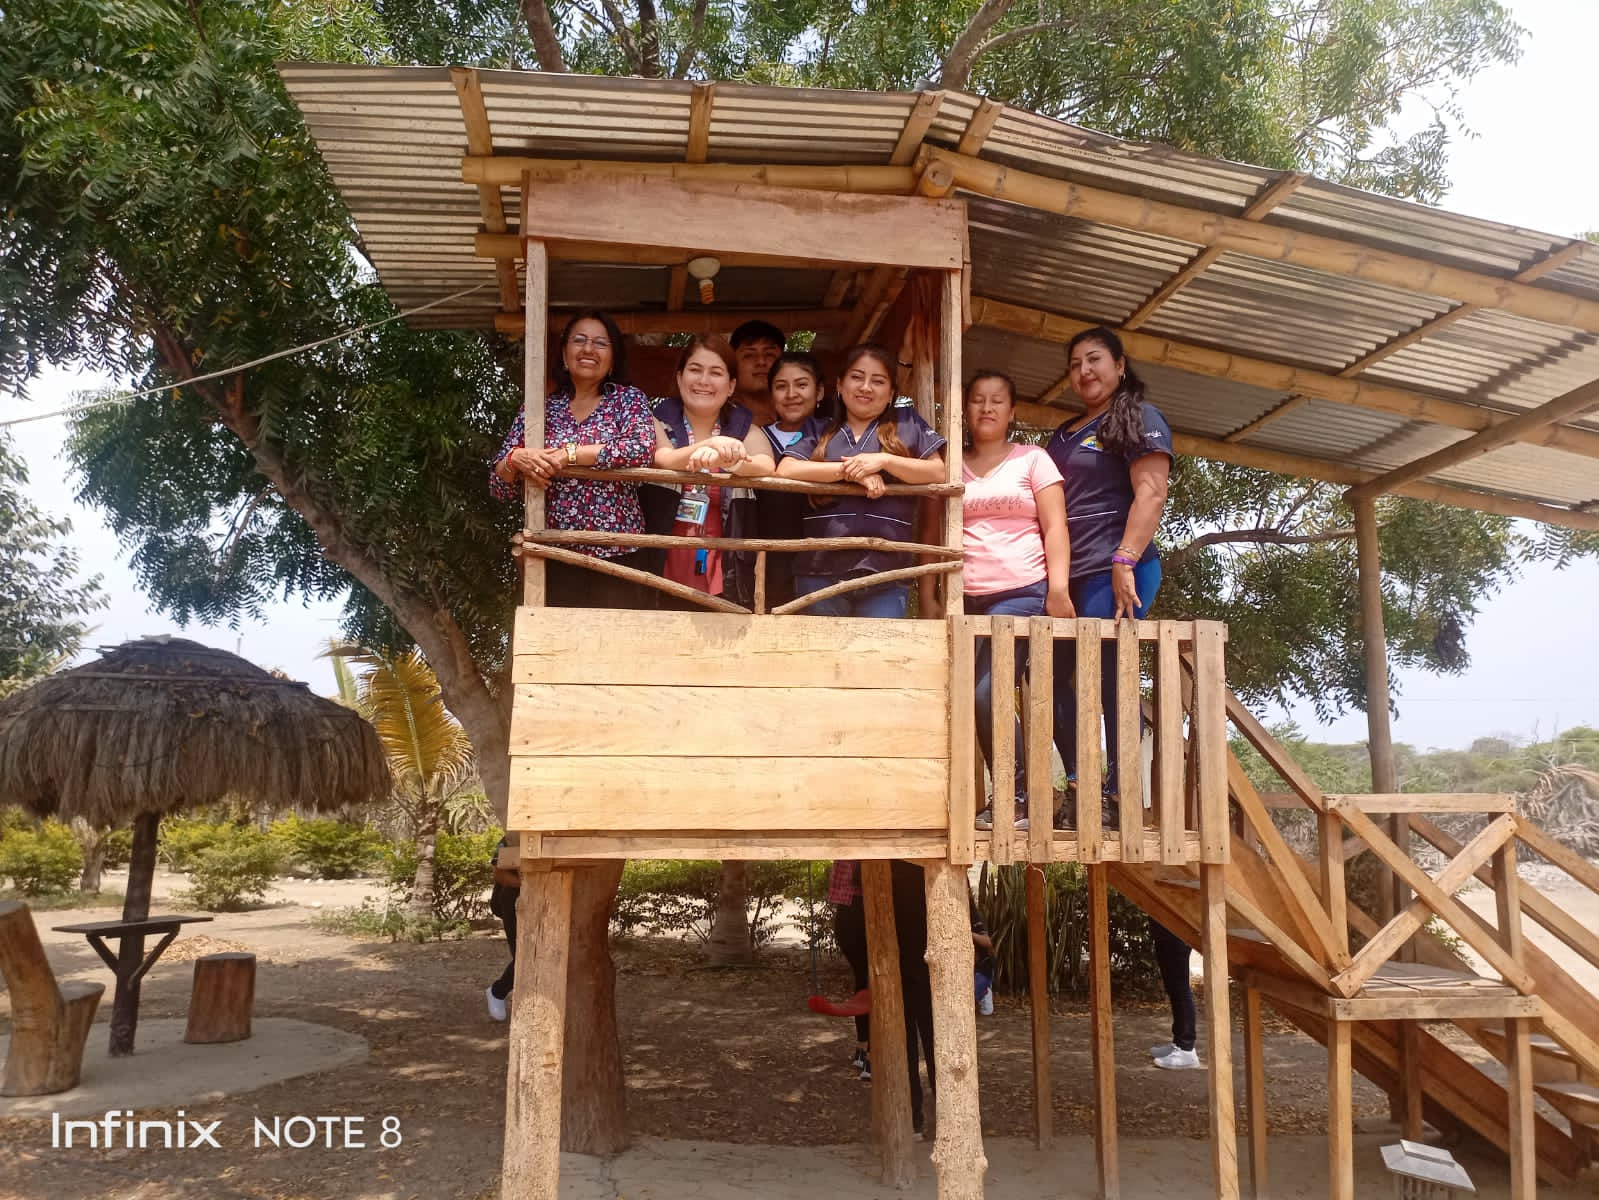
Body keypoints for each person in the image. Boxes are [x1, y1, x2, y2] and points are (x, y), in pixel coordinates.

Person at [922, 371, 1072, 832]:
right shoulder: (949, 463)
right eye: (977, 400)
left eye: (997, 401)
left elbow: (1056, 527)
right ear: (964, 410)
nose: (986, 408)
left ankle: (1018, 796)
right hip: (965, 597)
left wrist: (1058, 589)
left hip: (1022, 591)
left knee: (987, 691)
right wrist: (927, 592)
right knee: (961, 694)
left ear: (1012, 411)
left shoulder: (1034, 459)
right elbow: (930, 530)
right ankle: (999, 794)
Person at [1045, 326, 1172, 827]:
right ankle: (1082, 784)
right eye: (1075, 364)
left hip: (1118, 570)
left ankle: (1119, 795)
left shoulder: (1139, 417)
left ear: (1120, 365)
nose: (1084, 371)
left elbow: (1152, 492)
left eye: (1094, 359)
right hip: (1067, 577)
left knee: (1108, 676)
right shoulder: (1062, 434)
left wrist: (1125, 559)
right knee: (1048, 675)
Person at [490, 310, 658, 608]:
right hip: (556, 553)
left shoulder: (627, 399)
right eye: (579, 340)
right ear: (564, 355)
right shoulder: (539, 409)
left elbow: (641, 448)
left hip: (619, 552)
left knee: (617, 637)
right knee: (557, 637)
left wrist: (570, 454)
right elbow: (498, 486)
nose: (588, 349)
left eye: (600, 343)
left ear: (613, 359)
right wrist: (515, 459)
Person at [776, 343, 946, 618]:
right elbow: (786, 469)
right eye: (856, 377)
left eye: (878, 381)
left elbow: (938, 472)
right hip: (818, 572)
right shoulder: (818, 428)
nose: (866, 387)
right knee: (819, 647)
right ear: (840, 385)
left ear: (891, 394)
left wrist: (884, 461)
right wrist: (852, 472)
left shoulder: (907, 424)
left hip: (887, 575)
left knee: (878, 648)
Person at [650, 335, 776, 604]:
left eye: (716, 373)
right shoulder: (654, 422)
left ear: (731, 386)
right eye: (695, 370)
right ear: (680, 377)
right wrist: (711, 444)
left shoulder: (744, 430)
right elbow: (664, 459)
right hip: (659, 565)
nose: (704, 381)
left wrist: (731, 461)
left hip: (724, 568)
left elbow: (766, 464)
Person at [757, 352, 827, 608]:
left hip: (824, 559)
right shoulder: (756, 438)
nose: (791, 394)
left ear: (820, 392)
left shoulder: (837, 434)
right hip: (768, 557)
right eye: (781, 386)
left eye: (801, 385)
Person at [827, 859, 872, 1079]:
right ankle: (867, 1047)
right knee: (868, 980)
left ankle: (867, 1047)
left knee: (868, 980)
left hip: (862, 904)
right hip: (855, 905)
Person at [1149, 918, 1202, 1069]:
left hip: (1177, 931)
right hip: (1165, 930)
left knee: (1180, 989)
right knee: (1173, 988)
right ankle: (1178, 1042)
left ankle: (1186, 1049)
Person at [485, 837, 521, 1021]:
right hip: (513, 900)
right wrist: (529, 885)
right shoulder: (511, 837)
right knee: (524, 957)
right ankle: (497, 992)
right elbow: (499, 873)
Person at [730, 319, 786, 427]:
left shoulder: (799, 416)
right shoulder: (720, 419)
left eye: (769, 354)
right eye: (749, 355)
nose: (761, 362)